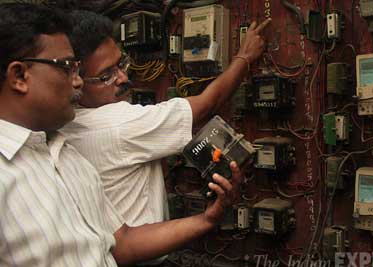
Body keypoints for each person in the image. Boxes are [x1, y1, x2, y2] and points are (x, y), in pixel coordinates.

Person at [0, 3, 241, 266]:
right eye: (66, 67)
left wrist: (206, 219)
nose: (77, 81)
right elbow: (205, 104)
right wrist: (245, 57)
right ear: (19, 76)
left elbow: (119, 242)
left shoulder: (67, 157)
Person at [60, 10, 269, 227]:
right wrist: (245, 57)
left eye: (121, 64)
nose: (122, 78)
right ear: (75, 81)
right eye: (106, 76)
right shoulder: (119, 123)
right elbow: (207, 104)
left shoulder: (62, 123)